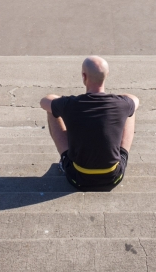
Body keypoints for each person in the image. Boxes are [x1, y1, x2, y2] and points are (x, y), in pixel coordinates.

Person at [40, 56, 139, 191]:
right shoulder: (121, 103)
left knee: (52, 110)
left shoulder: (70, 104)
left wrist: (59, 102)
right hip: (113, 177)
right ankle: (123, 154)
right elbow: (134, 99)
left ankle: (65, 159)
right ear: (107, 75)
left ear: (84, 76)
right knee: (130, 110)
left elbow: (44, 101)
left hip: (77, 178)